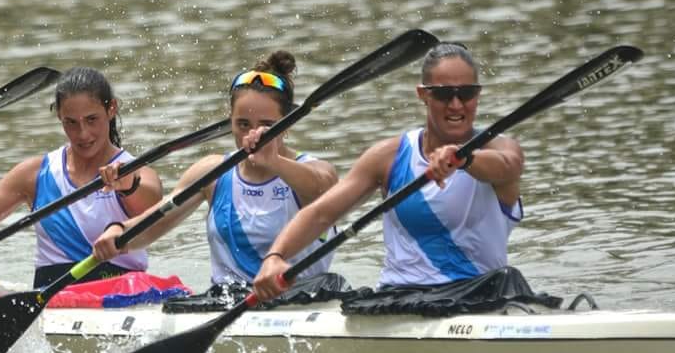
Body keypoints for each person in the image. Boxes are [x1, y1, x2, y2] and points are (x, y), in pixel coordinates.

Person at [253, 43, 527, 304]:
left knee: (507, 278)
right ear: (423, 94)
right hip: (401, 298)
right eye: (444, 94)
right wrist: (275, 256)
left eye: (466, 93)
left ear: (478, 94)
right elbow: (321, 213)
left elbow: (508, 166)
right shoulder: (388, 156)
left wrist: (465, 158)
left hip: (478, 294)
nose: (456, 105)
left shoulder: (500, 149)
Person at [91, 51, 340, 297]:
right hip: (228, 299)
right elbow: (153, 224)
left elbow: (324, 189)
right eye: (243, 124)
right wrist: (119, 231)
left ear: (287, 124)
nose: (254, 134)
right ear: (231, 122)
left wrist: (274, 161)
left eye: (267, 126)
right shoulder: (212, 173)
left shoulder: (315, 170)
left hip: (301, 298)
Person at [0, 67, 163, 288]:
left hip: (120, 296)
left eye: (92, 119)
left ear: (111, 109)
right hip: (51, 301)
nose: (83, 133)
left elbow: (155, 210)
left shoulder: (137, 172)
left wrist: (128, 186)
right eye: (71, 122)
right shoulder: (34, 174)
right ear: (59, 116)